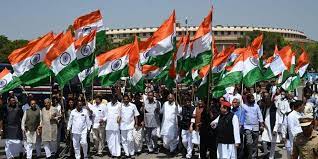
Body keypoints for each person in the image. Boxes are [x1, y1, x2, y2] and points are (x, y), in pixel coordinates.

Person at [242, 93, 264, 159]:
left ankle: (253, 156)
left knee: (255, 143)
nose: (252, 100)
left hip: (255, 126)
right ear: (248, 99)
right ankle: (249, 154)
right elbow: (242, 116)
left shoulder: (256, 106)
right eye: (251, 98)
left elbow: (259, 115)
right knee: (249, 142)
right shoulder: (243, 106)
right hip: (247, 126)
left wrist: (261, 124)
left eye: (253, 98)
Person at [260, 94, 281, 159]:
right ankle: (266, 153)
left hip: (273, 128)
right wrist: (262, 125)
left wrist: (275, 129)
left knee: (273, 143)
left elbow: (278, 120)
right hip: (266, 128)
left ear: (270, 100)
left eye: (268, 99)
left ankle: (271, 156)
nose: (267, 100)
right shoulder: (264, 108)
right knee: (263, 141)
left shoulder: (275, 109)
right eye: (265, 99)